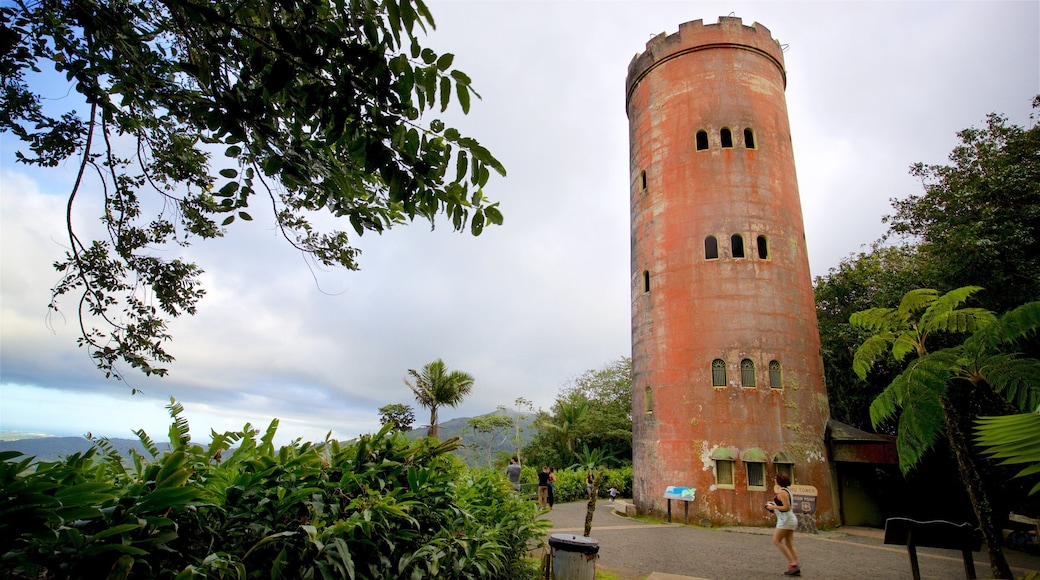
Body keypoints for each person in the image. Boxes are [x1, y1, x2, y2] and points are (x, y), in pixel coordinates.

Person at [765, 473, 800, 576]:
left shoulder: (782, 492)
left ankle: (793, 563)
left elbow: (786, 507)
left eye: (776, 479)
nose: (774, 480)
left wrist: (773, 508)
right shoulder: (786, 491)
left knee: (776, 540)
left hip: (786, 520)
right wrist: (773, 504)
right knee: (789, 543)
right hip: (789, 519)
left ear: (779, 480)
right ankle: (795, 564)